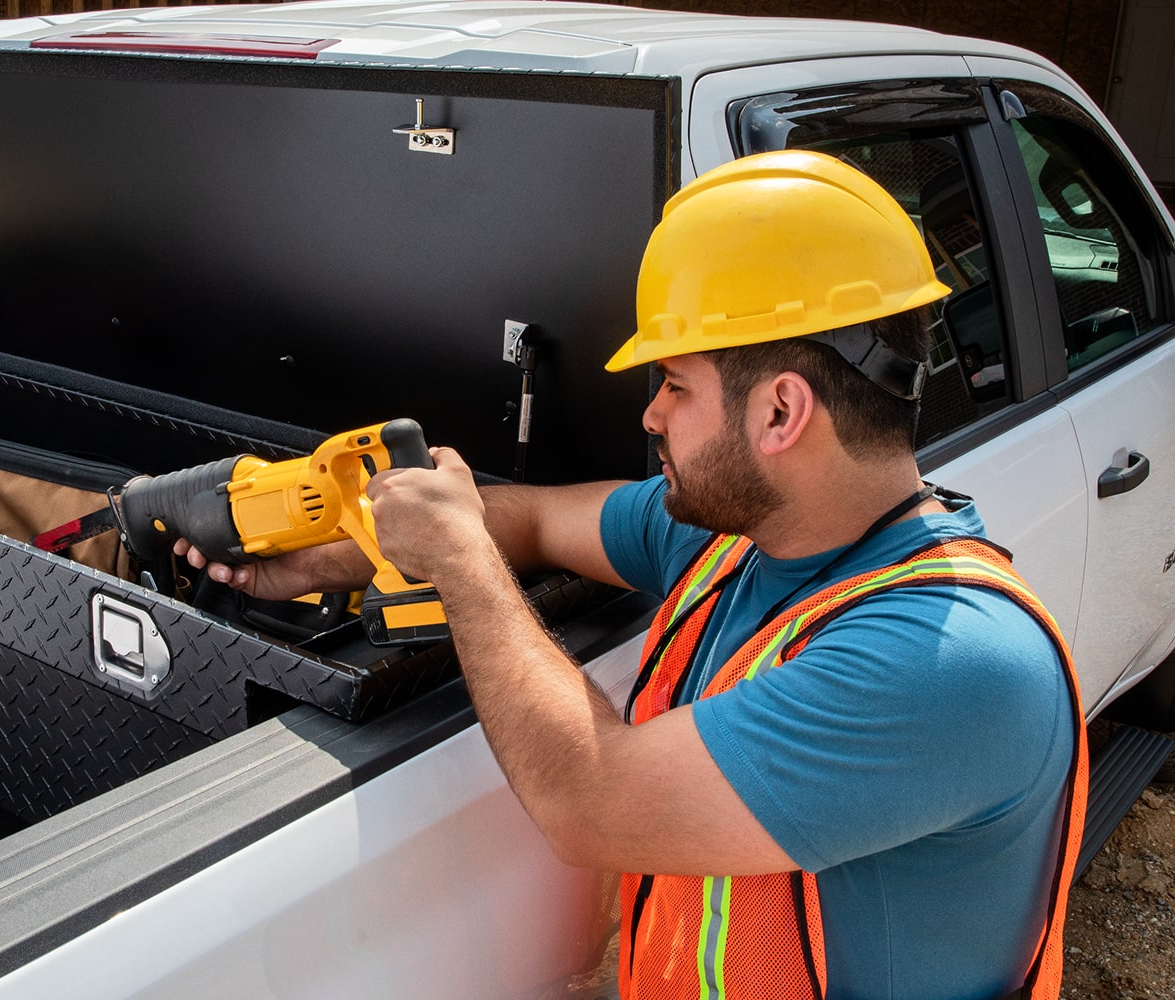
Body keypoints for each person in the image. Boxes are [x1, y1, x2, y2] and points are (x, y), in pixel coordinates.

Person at [178, 150, 1086, 1000]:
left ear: (780, 409)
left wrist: (457, 562)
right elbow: (531, 518)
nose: (650, 413)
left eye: (675, 384)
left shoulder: (949, 667)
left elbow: (587, 799)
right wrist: (329, 547)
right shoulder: (742, 535)